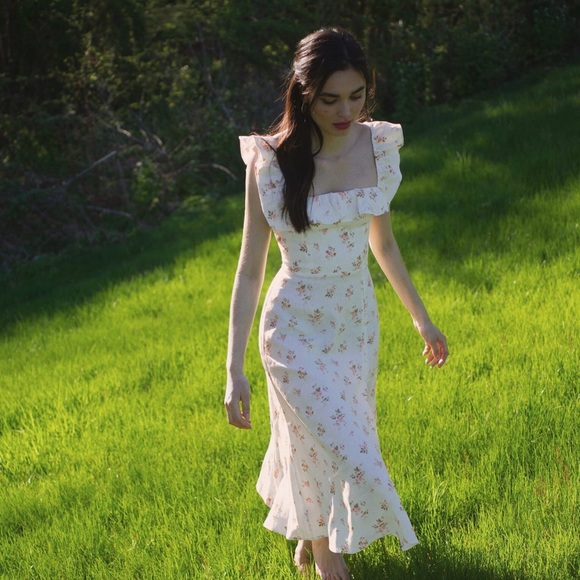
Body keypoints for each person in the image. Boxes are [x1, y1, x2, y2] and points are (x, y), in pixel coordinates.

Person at [224, 27, 448, 580]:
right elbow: (250, 269)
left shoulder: (378, 147)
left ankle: (312, 534)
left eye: (356, 96)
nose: (345, 111)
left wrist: (422, 320)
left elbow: (383, 244)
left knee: (328, 440)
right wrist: (234, 368)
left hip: (355, 325)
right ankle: (328, 555)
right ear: (303, 94)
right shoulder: (270, 162)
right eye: (329, 99)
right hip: (291, 329)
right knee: (343, 446)